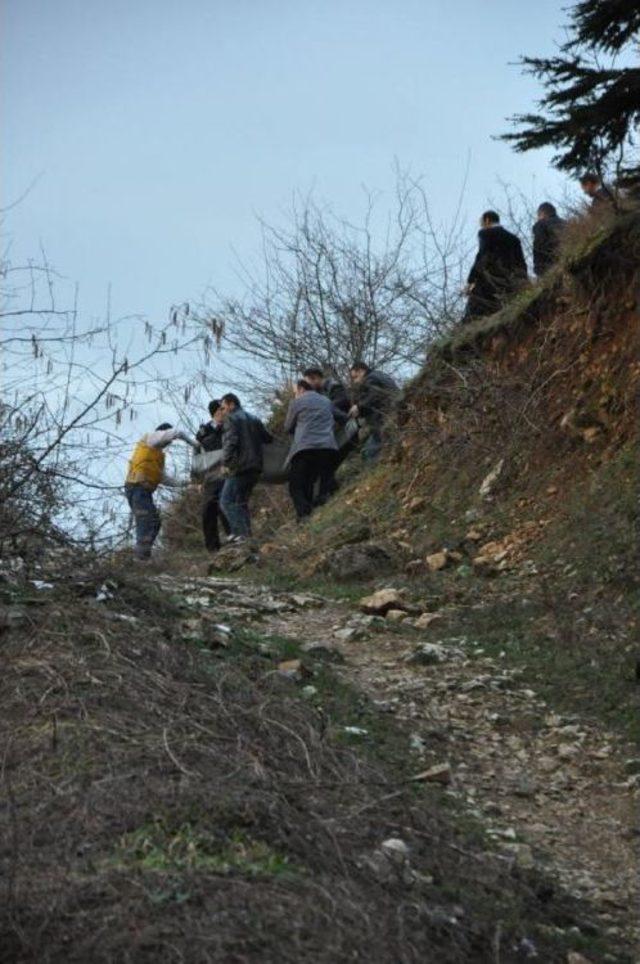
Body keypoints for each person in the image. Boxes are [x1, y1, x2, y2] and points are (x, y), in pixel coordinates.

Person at [124, 423, 197, 559]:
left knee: (154, 522)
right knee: (146, 520)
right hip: (137, 488)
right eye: (168, 440)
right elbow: (178, 433)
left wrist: (185, 483)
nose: (168, 443)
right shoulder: (151, 438)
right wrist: (194, 444)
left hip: (143, 491)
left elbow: (162, 478)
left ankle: (143, 554)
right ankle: (141, 558)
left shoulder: (156, 454)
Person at [219, 393, 272, 542]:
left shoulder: (231, 418)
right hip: (256, 467)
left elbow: (231, 442)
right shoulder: (254, 418)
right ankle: (247, 538)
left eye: (223, 407)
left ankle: (242, 536)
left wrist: (225, 463)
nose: (222, 412)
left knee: (226, 501)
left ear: (231, 404)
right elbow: (268, 438)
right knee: (240, 503)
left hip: (240, 467)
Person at [284, 379, 339, 520]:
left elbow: (288, 427)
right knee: (311, 480)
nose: (295, 394)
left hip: (305, 448)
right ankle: (313, 512)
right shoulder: (326, 400)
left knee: (296, 485)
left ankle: (304, 515)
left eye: (295, 391)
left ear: (301, 389)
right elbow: (339, 416)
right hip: (328, 447)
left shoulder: (297, 402)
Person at [463, 211, 528, 322]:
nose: (481, 225)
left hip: (490, 277)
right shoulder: (514, 239)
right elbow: (521, 262)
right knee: (504, 307)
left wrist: (471, 280)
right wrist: (523, 280)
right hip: (510, 279)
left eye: (482, 222)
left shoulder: (486, 233)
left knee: (475, 310)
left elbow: (483, 256)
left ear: (487, 220)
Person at [302, 366, 351, 499]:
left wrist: (322, 407)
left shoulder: (334, 386)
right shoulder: (320, 393)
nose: (308, 386)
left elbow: (343, 401)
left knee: (327, 461)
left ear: (315, 378)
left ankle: (328, 492)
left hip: (346, 429)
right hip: (335, 431)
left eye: (309, 382)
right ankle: (329, 491)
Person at [195, 400, 231, 552]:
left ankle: (236, 540)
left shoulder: (230, 428)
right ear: (216, 412)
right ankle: (213, 549)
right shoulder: (203, 433)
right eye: (223, 409)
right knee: (208, 511)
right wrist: (197, 480)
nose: (226, 411)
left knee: (227, 506)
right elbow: (197, 457)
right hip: (210, 476)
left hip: (228, 473)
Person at [348, 362, 399, 462]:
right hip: (392, 413)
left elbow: (375, 395)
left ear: (361, 371)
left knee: (369, 452)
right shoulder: (378, 375)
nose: (355, 381)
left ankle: (378, 470)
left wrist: (358, 407)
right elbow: (376, 400)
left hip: (385, 418)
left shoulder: (370, 379)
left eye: (355, 377)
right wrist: (361, 410)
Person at [533, 202, 566, 276]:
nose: (538, 218)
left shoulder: (541, 225)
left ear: (542, 213)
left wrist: (538, 269)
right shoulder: (566, 223)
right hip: (567, 260)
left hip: (551, 266)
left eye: (538, 215)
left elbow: (539, 246)